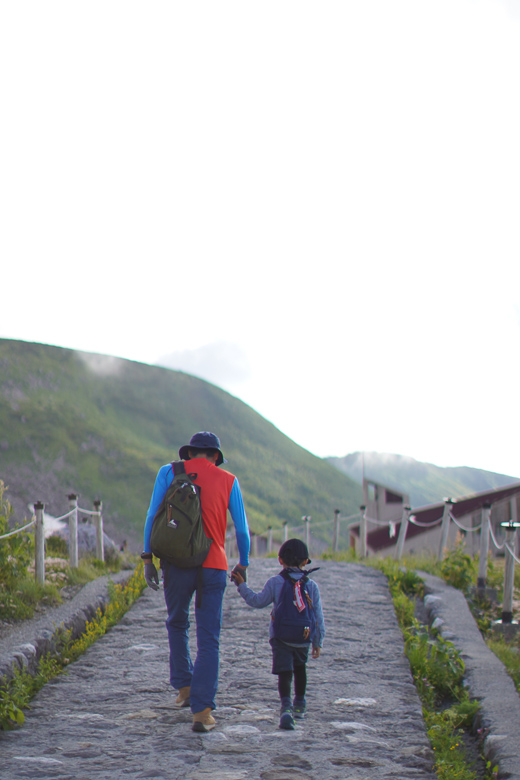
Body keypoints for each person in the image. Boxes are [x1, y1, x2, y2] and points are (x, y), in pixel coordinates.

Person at [142, 431, 250, 733]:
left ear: (188, 454)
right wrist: (244, 562)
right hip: (213, 565)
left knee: (176, 622)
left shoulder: (169, 472)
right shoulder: (229, 480)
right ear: (215, 456)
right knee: (209, 638)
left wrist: (148, 558)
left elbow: (152, 515)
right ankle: (202, 713)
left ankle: (184, 688)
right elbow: (241, 530)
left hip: (176, 563)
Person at [231, 538, 325, 730]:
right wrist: (318, 641)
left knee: (285, 673)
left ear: (280, 559)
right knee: (300, 669)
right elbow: (318, 616)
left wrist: (242, 586)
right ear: (306, 561)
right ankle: (300, 704)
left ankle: (285, 708)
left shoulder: (276, 582)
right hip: (303, 637)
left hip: (281, 637)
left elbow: (257, 601)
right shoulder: (312, 586)